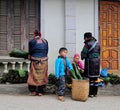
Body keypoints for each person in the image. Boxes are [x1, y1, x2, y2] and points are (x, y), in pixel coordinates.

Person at [27, 30, 48, 96]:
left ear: (34, 35)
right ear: (40, 35)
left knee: (32, 75)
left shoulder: (31, 41)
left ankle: (33, 91)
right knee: (42, 76)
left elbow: (30, 52)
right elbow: (46, 51)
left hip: (34, 61)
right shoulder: (45, 41)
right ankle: (40, 92)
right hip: (44, 61)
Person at [81, 32, 100, 97]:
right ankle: (95, 93)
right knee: (95, 78)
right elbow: (99, 52)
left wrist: (82, 57)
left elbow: (84, 53)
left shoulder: (87, 44)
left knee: (90, 78)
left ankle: (91, 93)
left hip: (90, 62)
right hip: (97, 61)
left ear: (86, 37)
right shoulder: (97, 43)